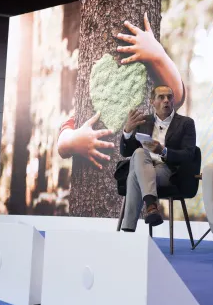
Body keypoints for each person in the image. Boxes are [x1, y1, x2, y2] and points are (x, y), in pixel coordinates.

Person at [57, 12, 186, 169]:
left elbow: (177, 95)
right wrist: (74, 140)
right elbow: (62, 144)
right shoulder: (89, 110)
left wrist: (157, 54)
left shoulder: (154, 89)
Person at [118, 85, 196, 230]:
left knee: (134, 175)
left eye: (169, 97)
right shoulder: (143, 121)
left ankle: (128, 231)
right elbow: (126, 152)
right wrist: (127, 131)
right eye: (161, 97)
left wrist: (164, 151)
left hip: (168, 171)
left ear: (173, 101)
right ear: (152, 101)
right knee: (140, 154)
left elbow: (189, 155)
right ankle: (152, 207)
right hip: (144, 166)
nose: (166, 100)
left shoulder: (186, 123)